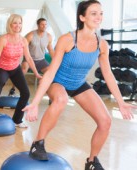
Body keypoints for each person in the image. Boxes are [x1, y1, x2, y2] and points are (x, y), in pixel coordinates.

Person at [22, 1, 137, 169]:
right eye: (93, 13)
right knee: (60, 99)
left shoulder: (102, 44)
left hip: (78, 84)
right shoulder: (67, 40)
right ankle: (37, 143)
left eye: (101, 13)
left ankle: (91, 161)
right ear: (82, 17)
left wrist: (120, 101)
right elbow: (52, 71)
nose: (99, 17)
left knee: (105, 121)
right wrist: (35, 102)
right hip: (57, 81)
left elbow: (108, 74)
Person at [0, 14, 42, 128]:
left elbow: (28, 58)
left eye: (19, 23)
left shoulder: (23, 40)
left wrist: (36, 73)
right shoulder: (4, 39)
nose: (17, 25)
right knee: (0, 82)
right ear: (10, 25)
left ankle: (17, 120)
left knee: (26, 93)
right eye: (15, 23)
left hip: (15, 68)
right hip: (1, 68)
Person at [8, 17, 55, 96]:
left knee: (50, 72)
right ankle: (13, 89)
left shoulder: (49, 36)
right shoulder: (30, 35)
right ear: (38, 25)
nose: (44, 26)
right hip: (29, 59)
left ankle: (50, 94)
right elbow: (21, 47)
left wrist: (56, 61)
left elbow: (50, 50)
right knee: (22, 71)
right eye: (42, 24)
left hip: (41, 60)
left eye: (45, 24)